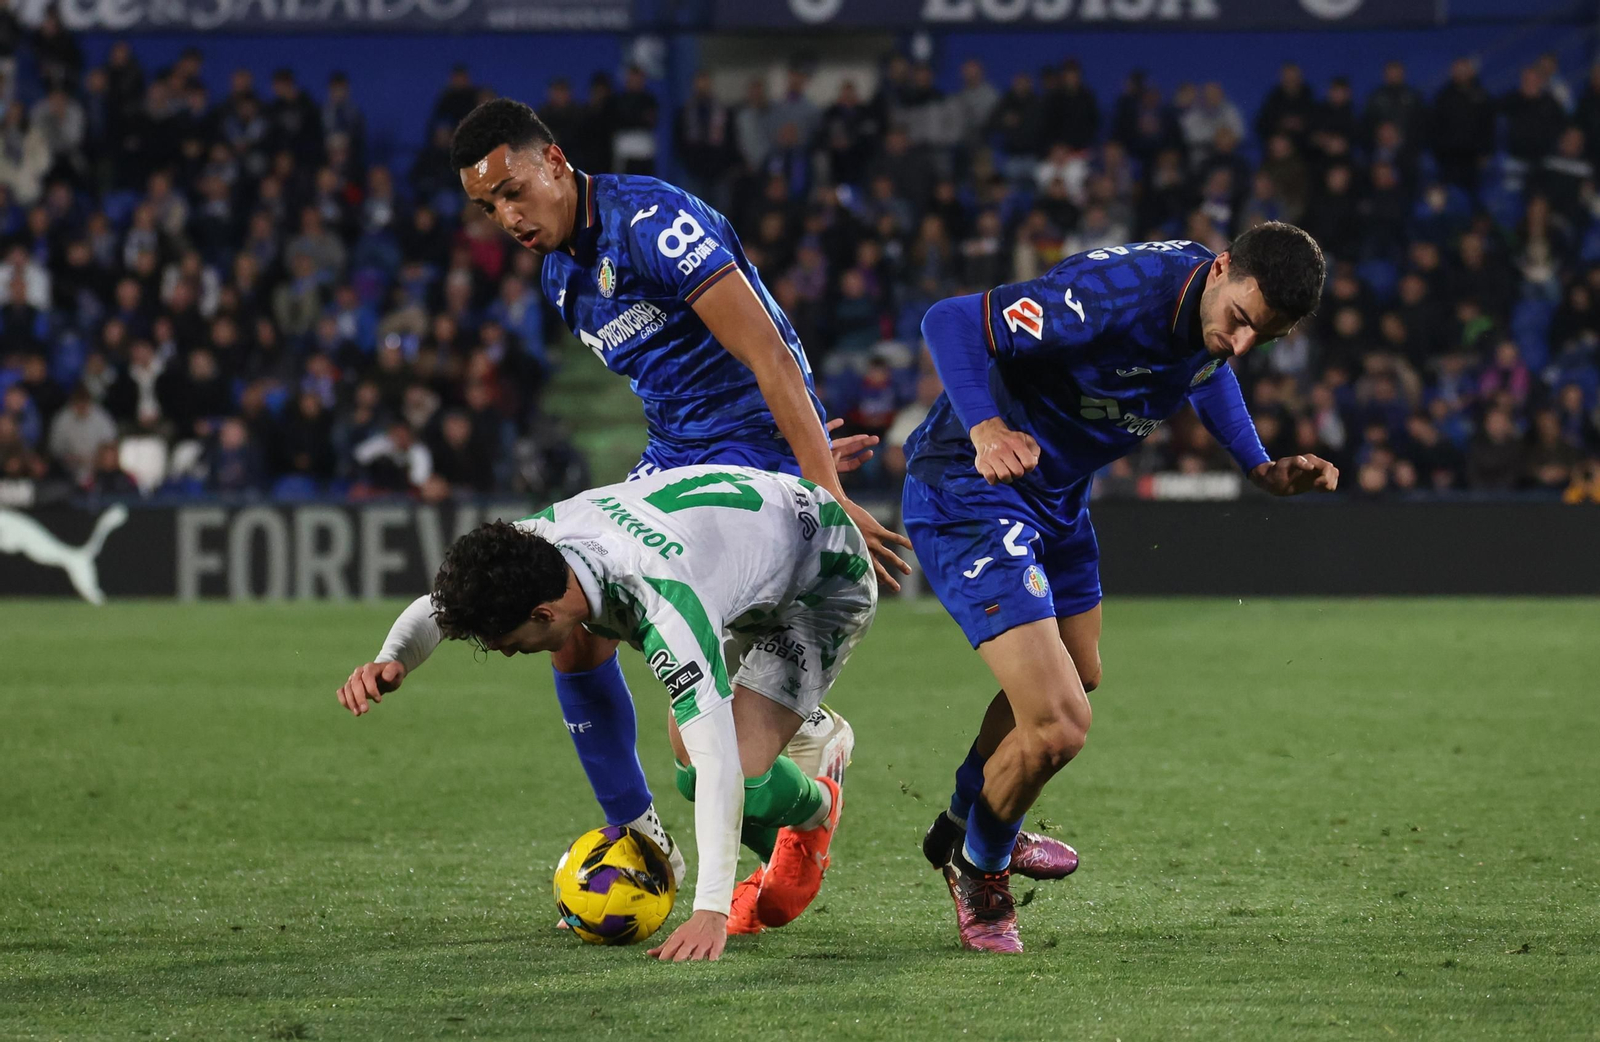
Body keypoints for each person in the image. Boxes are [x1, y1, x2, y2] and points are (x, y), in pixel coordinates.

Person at [448, 97, 911, 913]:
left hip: (749, 459)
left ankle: (803, 753)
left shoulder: (654, 224)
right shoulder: (561, 276)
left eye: (513, 191)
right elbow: (673, 384)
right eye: (488, 208)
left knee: (706, 748)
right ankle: (641, 835)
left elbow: (769, 354)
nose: (507, 217)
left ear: (554, 161)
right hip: (676, 462)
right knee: (569, 621)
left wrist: (816, 488)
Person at [902, 223, 1340, 952]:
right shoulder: (1108, 298)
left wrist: (1258, 466)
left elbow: (1208, 370)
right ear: (1221, 269)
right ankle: (979, 868)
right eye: (1239, 320)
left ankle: (964, 815)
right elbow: (950, 319)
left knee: (1080, 673)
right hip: (974, 488)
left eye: (1260, 337)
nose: (1240, 344)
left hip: (1056, 497)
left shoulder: (1213, 315)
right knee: (1058, 725)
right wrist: (984, 427)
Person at [335, 465, 877, 961]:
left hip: (821, 580)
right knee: (687, 747)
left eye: (508, 642)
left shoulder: (665, 608)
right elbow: (442, 602)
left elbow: (720, 765)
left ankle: (815, 808)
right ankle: (787, 758)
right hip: (747, 553)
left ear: (542, 612)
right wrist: (393, 657)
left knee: (713, 767)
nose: (507, 653)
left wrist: (709, 911)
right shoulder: (542, 543)